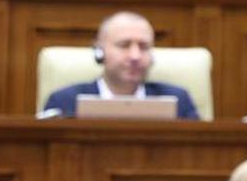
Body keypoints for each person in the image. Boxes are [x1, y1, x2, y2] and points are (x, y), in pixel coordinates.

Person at [42, 12, 200, 119]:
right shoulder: (65, 102)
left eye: (144, 47)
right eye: (124, 45)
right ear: (99, 52)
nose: (135, 56)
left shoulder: (178, 101)